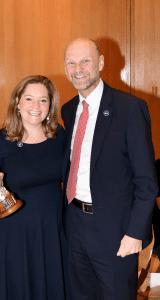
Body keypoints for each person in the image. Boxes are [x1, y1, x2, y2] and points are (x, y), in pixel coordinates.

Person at [61, 37, 158, 300]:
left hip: (115, 230)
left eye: (85, 61)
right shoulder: (68, 110)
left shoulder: (129, 108)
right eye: (71, 63)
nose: (78, 69)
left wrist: (135, 232)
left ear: (101, 63)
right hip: (74, 221)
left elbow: (147, 181)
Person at [0, 75, 70, 300]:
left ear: (51, 105)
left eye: (43, 100)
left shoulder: (59, 136)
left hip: (52, 227)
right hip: (14, 230)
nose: (36, 106)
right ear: (17, 102)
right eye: (29, 99)